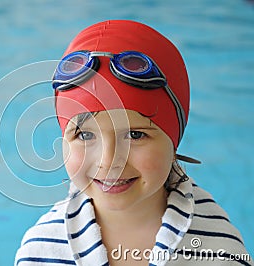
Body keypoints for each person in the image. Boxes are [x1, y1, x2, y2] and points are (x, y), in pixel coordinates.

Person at [14, 20, 250, 265]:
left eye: (135, 135)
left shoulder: (218, 250)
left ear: (173, 141)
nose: (109, 161)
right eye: (85, 135)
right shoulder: (42, 250)